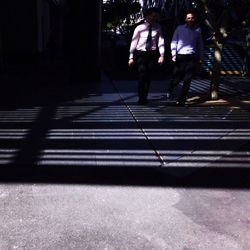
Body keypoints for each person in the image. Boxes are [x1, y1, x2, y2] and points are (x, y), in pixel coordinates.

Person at [128, 7, 165, 105]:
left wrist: (162, 55)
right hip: (141, 54)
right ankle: (141, 97)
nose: (154, 18)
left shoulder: (158, 27)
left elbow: (161, 41)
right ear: (147, 16)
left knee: (148, 77)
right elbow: (134, 42)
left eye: (156, 16)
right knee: (142, 75)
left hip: (152, 54)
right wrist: (131, 57)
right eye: (153, 16)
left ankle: (145, 96)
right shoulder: (139, 27)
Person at [166, 10, 204, 106]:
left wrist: (201, 57)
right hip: (180, 56)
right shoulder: (180, 28)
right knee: (177, 77)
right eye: (188, 18)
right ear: (185, 19)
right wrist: (173, 54)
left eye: (192, 18)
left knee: (188, 78)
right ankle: (171, 87)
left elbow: (200, 44)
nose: (191, 20)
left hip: (192, 56)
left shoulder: (198, 30)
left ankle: (181, 99)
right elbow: (174, 41)